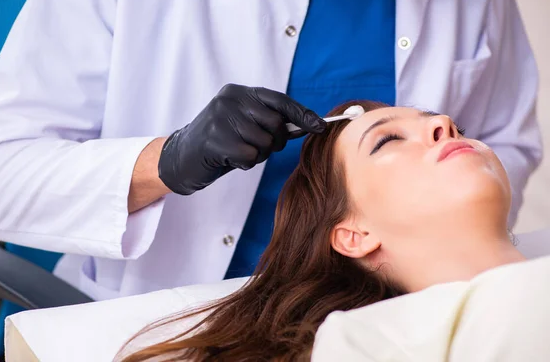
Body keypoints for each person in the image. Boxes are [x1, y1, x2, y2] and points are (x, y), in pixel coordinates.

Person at [0, 0, 541, 302]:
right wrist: (166, 163)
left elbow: (506, 139)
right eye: (386, 138)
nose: (443, 126)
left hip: (400, 305)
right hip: (184, 310)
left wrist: (435, 242)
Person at [115, 101, 538, 361]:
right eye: (387, 141)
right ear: (354, 234)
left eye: (457, 126)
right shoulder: (363, 345)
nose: (444, 122)